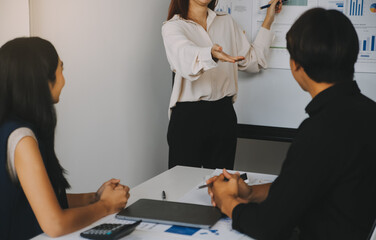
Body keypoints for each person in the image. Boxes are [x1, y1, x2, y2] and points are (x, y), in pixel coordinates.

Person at [206, 8, 376, 240]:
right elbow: (304, 187)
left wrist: (228, 203)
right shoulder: (368, 112)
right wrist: (250, 193)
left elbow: (268, 226)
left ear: (296, 66)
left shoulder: (319, 131)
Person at [0, 37, 130, 240]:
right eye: (61, 69)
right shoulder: (22, 139)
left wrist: (94, 198)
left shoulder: (12, 127)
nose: (64, 79)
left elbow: (39, 202)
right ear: (41, 78)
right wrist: (105, 206)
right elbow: (55, 224)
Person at [162, 0, 282, 169]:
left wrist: (269, 19)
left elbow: (253, 61)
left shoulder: (226, 22)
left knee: (222, 187)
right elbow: (184, 57)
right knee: (182, 188)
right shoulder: (173, 27)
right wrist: (210, 53)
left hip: (223, 115)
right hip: (188, 118)